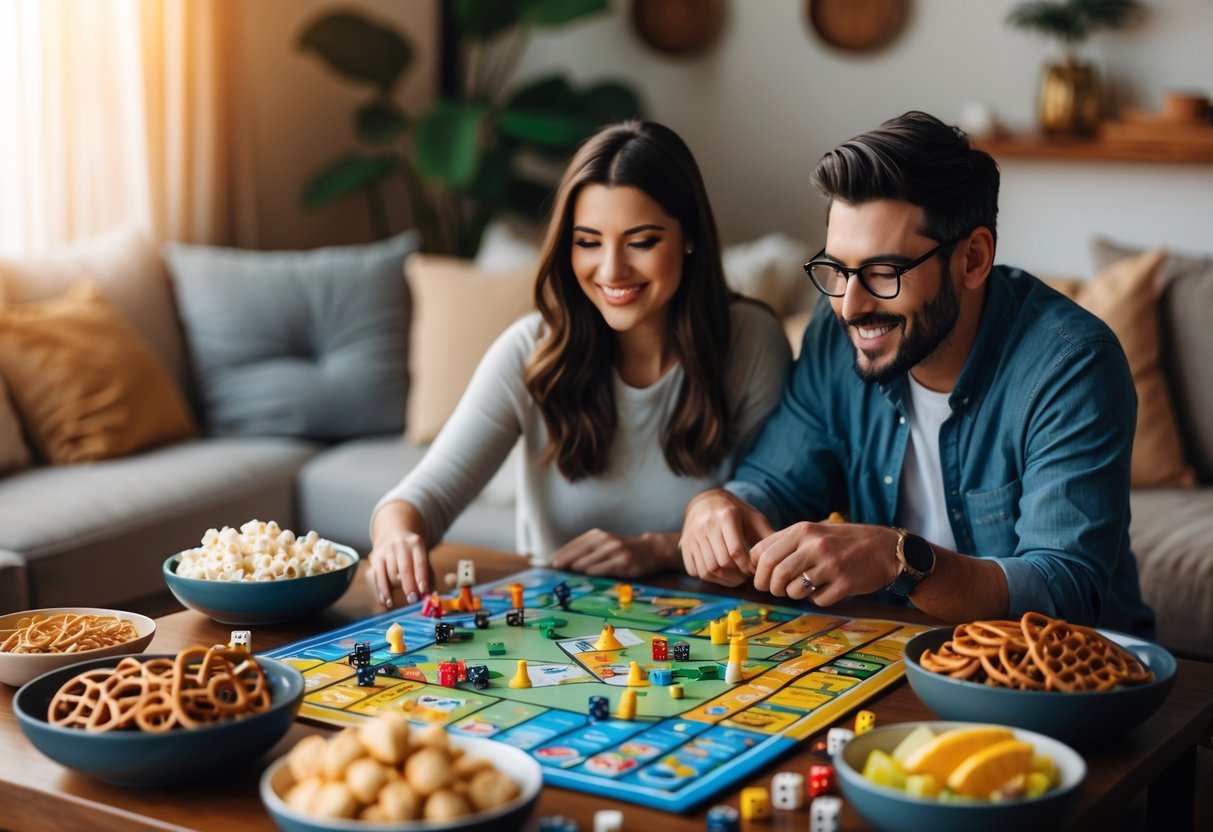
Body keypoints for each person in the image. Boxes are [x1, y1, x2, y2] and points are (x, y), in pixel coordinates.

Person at [679, 111, 1154, 636]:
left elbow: (1066, 590)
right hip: (894, 653)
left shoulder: (1072, 365)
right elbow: (776, 481)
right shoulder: (835, 331)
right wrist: (719, 505)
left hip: (1067, 685)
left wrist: (900, 559)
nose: (849, 306)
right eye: (836, 270)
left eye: (884, 272)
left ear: (973, 259)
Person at [368, 121, 791, 608]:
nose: (611, 270)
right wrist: (398, 536)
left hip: (714, 624)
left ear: (689, 235)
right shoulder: (529, 351)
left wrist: (658, 549)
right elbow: (416, 500)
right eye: (588, 242)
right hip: (560, 633)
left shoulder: (753, 342)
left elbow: (774, 515)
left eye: (642, 241)